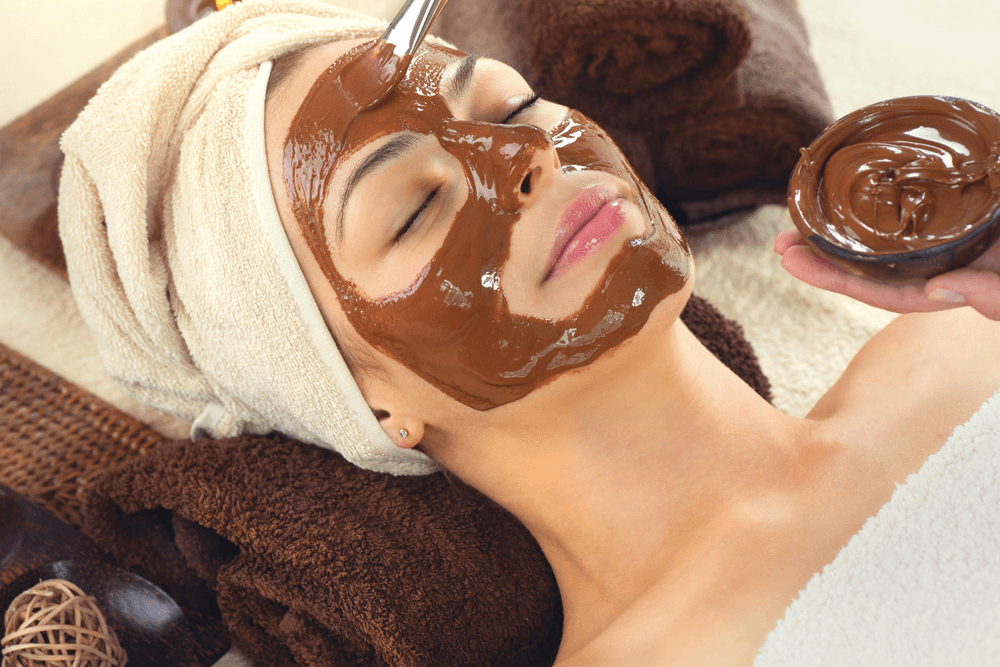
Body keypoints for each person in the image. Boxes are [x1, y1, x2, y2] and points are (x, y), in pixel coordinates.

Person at [57, 1, 1000, 665]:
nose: (525, 155)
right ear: (365, 404)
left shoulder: (965, 342)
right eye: (414, 208)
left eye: (509, 107)